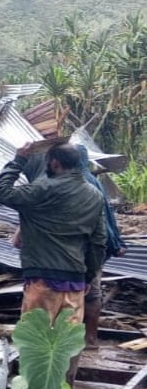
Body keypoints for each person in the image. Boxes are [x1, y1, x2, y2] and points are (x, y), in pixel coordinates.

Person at [0, 143, 107, 383]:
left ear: (54, 163)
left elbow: (0, 192)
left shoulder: (42, 188)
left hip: (42, 280)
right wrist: (87, 278)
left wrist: (18, 161)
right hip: (75, 282)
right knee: (68, 343)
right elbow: (98, 242)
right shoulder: (94, 195)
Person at [76, 145, 127, 349]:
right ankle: (89, 338)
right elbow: (108, 216)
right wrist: (115, 243)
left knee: (85, 292)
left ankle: (86, 340)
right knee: (90, 291)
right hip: (95, 247)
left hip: (85, 248)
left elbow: (101, 219)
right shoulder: (92, 180)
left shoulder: (80, 183)